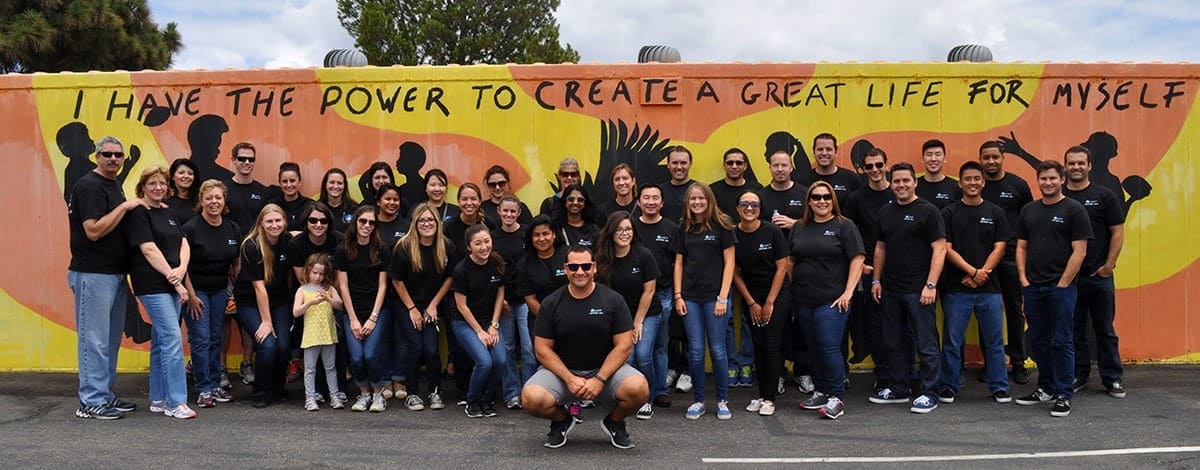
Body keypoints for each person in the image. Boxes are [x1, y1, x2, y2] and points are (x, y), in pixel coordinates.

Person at [522, 246, 650, 449]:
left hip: (605, 373)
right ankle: (561, 420)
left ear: (594, 267)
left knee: (639, 389)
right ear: (565, 269)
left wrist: (599, 379)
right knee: (531, 398)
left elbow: (624, 346)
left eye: (585, 266)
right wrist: (569, 378)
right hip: (563, 374)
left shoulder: (613, 300)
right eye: (573, 266)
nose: (579, 271)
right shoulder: (551, 303)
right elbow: (542, 349)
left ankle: (614, 422)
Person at [68, 136, 143, 419]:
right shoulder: (89, 186)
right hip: (92, 273)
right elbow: (94, 230)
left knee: (110, 340)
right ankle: (90, 401)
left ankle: (104, 395)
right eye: (107, 154)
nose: (113, 159)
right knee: (94, 341)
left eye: (118, 155)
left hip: (113, 273)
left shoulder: (111, 184)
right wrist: (124, 207)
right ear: (96, 156)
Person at [1014, 158, 1093, 418]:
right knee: (1039, 341)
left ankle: (1063, 394)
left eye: (1052, 178)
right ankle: (1045, 387)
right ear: (1038, 181)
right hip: (1033, 288)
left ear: (1062, 180)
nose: (1047, 183)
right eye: (1043, 179)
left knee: (1061, 341)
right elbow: (1021, 247)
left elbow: (1079, 252)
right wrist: (1024, 279)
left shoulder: (1074, 210)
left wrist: (1063, 284)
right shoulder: (1029, 210)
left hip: (1061, 288)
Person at [869, 162, 947, 414]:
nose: (901, 185)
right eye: (897, 181)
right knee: (894, 341)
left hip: (919, 289)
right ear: (891, 184)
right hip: (891, 288)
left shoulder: (928, 211)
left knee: (926, 342)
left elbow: (940, 248)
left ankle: (929, 392)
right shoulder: (886, 211)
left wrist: (931, 285)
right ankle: (900, 388)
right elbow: (880, 248)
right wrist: (876, 280)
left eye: (906, 180)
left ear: (915, 182)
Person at [936, 162, 1013, 405]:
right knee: (951, 342)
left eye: (976, 179)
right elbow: (946, 248)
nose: (972, 183)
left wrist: (983, 273)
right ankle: (948, 386)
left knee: (994, 342)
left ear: (983, 182)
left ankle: (999, 387)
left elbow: (1000, 246)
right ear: (960, 183)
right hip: (957, 288)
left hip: (989, 289)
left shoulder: (995, 212)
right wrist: (972, 271)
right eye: (967, 179)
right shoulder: (949, 213)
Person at [126, 166, 197, 419]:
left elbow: (183, 242)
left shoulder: (168, 212)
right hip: (152, 284)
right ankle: (176, 402)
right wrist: (175, 279)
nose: (158, 188)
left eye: (161, 184)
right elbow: (148, 250)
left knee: (160, 342)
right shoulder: (138, 213)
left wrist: (182, 268)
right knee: (172, 339)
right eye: (152, 183)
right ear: (142, 186)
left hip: (172, 282)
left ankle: (158, 398)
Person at [790, 182, 865, 419]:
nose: (821, 201)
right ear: (809, 201)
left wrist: (848, 292)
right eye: (816, 197)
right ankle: (821, 390)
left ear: (832, 200)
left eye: (826, 197)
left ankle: (836, 397)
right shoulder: (800, 227)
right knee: (813, 347)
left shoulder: (844, 226)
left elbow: (857, 259)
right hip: (803, 299)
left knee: (828, 346)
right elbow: (791, 261)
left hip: (833, 299)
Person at [1062, 146, 1127, 398]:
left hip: (1099, 276)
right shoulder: (1059, 196)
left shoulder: (1104, 195)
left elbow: (1117, 231)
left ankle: (1112, 377)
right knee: (1074, 329)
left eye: (1080, 163)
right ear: (1065, 166)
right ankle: (1079, 375)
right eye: (1071, 163)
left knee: (1105, 329)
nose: (1076, 167)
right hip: (1070, 278)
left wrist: (1109, 265)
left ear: (1089, 166)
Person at [672, 182, 737, 420]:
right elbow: (678, 263)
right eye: (692, 199)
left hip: (715, 299)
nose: (697, 203)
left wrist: (723, 297)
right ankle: (698, 400)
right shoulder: (684, 227)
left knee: (719, 351)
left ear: (709, 200)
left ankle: (722, 400)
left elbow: (730, 263)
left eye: (701, 198)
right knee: (696, 352)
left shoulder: (722, 225)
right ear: (687, 203)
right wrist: (678, 296)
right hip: (690, 298)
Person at [390, 203, 458, 411]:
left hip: (432, 304)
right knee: (415, 347)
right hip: (405, 303)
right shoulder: (403, 246)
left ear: (437, 223)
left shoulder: (446, 246)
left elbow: (450, 277)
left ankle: (434, 391)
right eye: (422, 220)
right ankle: (412, 393)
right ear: (415, 223)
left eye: (431, 220)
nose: (427, 224)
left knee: (431, 349)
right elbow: (397, 281)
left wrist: (433, 305)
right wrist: (412, 309)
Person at [594, 211, 660, 420]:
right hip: (618, 318)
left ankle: (646, 399)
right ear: (611, 232)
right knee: (626, 357)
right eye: (620, 229)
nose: (625, 233)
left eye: (629, 229)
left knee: (643, 355)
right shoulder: (602, 258)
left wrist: (637, 322)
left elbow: (649, 290)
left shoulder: (643, 254)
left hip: (646, 313)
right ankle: (626, 395)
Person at [979, 140, 1034, 384]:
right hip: (983, 260)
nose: (991, 162)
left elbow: (1029, 221)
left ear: (1003, 158)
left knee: (1014, 310)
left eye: (995, 157)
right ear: (980, 159)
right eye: (986, 158)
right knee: (985, 312)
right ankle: (990, 362)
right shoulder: (975, 185)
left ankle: (1018, 362)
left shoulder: (1018, 185)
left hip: (1011, 258)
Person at [182, 180, 241, 408]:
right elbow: (182, 266)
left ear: (224, 200)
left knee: (216, 338)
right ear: (201, 201)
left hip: (220, 291)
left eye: (218, 197)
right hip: (196, 292)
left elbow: (235, 263)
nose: (214, 202)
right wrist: (191, 294)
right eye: (209, 198)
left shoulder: (232, 228)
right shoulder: (190, 228)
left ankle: (216, 385)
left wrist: (233, 292)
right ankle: (204, 388)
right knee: (201, 340)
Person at [452, 224, 521, 417]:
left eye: (487, 241)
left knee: (500, 360)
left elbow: (500, 296)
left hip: (488, 321)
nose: (484, 247)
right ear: (469, 247)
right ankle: (472, 400)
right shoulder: (461, 270)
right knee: (484, 362)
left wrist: (494, 325)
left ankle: (487, 398)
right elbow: (461, 306)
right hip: (465, 323)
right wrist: (479, 332)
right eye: (478, 243)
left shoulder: (497, 263)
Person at [730, 191, 789, 416]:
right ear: (737, 208)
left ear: (760, 208)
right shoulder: (734, 234)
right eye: (744, 203)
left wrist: (770, 302)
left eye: (754, 204)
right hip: (751, 297)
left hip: (777, 295)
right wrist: (752, 302)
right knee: (758, 344)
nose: (749, 208)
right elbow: (735, 272)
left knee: (772, 344)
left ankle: (769, 398)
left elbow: (782, 267)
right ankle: (761, 393)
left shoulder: (772, 231)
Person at [759, 148, 811, 394]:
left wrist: (795, 224)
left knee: (802, 324)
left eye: (784, 165)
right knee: (776, 328)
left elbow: (821, 223)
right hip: (772, 273)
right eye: (775, 165)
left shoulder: (804, 194)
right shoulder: (762, 196)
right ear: (769, 167)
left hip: (803, 269)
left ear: (791, 167)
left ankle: (803, 372)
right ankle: (777, 373)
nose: (780, 169)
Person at [841, 148, 894, 388]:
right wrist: (861, 264)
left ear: (886, 165)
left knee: (902, 325)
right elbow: (849, 234)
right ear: (862, 169)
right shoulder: (856, 199)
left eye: (878, 165)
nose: (874, 170)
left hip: (902, 272)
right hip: (870, 272)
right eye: (869, 166)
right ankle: (882, 377)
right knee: (875, 326)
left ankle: (905, 375)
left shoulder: (899, 192)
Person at [284, 201, 347, 401]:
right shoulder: (297, 244)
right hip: (308, 296)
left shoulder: (339, 240)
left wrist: (329, 293)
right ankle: (316, 391)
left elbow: (339, 274)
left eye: (323, 220)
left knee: (336, 343)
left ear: (329, 223)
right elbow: (302, 276)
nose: (318, 224)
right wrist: (314, 296)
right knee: (312, 344)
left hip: (332, 290)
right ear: (306, 221)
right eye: (313, 220)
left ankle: (339, 389)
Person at [235, 204, 293, 408]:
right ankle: (261, 390)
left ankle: (278, 386)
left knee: (284, 346)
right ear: (261, 223)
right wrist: (267, 322)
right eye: (269, 221)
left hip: (280, 300)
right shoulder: (251, 246)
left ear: (285, 222)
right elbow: (259, 289)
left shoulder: (288, 241)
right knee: (267, 345)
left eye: (278, 220)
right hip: (250, 301)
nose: (274, 225)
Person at [335, 206, 392, 412]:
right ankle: (364, 393)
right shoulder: (343, 249)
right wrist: (352, 319)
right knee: (357, 358)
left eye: (371, 223)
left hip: (378, 310)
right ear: (355, 222)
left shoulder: (381, 249)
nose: (367, 226)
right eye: (363, 222)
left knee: (370, 355)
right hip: (352, 311)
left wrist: (373, 317)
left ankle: (378, 393)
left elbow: (383, 285)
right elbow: (343, 286)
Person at [222, 141, 268, 387]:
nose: (247, 163)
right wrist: (232, 261)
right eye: (242, 159)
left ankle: (247, 363)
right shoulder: (225, 189)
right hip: (227, 263)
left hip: (254, 263)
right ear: (233, 160)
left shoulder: (262, 191)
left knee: (251, 315)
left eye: (251, 159)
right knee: (225, 318)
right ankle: (220, 368)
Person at [632, 184, 678, 408]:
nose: (650, 202)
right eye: (646, 198)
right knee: (641, 349)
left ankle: (660, 390)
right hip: (638, 295)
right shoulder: (631, 228)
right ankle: (640, 391)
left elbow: (679, 263)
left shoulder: (671, 228)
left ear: (662, 202)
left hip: (665, 293)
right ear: (639, 202)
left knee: (661, 345)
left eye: (655, 198)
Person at [492, 196, 536, 391]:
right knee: (508, 347)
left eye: (513, 211)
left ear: (519, 212)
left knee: (529, 347)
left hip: (526, 299)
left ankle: (530, 389)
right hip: (505, 301)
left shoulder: (527, 234)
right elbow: (491, 271)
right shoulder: (492, 238)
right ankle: (512, 392)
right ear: (499, 212)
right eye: (505, 211)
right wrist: (499, 300)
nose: (509, 215)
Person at [517, 215, 569, 380]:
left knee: (570, 359)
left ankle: (575, 397)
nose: (541, 239)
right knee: (545, 361)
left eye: (545, 234)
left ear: (554, 234)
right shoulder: (524, 264)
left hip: (571, 318)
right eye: (536, 235)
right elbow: (530, 299)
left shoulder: (568, 255)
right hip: (541, 321)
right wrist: (551, 320)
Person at [292, 253, 345, 411]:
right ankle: (310, 397)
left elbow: (340, 305)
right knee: (310, 368)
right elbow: (295, 312)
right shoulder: (302, 290)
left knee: (330, 367)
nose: (318, 276)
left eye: (321, 273)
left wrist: (329, 298)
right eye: (315, 273)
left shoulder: (329, 289)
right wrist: (310, 303)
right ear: (308, 271)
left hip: (328, 334)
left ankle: (334, 396)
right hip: (311, 335)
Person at [796, 133, 862, 207]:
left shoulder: (852, 179)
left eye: (828, 149)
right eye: (820, 149)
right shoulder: (802, 181)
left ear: (836, 151)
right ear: (814, 152)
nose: (824, 153)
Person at [710, 148, 763, 219]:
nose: (734, 166)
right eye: (730, 163)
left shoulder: (757, 188)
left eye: (739, 163)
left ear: (745, 166)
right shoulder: (712, 190)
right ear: (724, 165)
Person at [915, 139, 961, 209]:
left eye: (938, 154)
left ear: (944, 159)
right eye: (929, 155)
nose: (933, 159)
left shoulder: (956, 187)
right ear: (922, 159)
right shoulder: (914, 186)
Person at [660, 146, 696, 222]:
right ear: (668, 164)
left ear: (690, 164)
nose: (679, 167)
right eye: (675, 163)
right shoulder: (660, 191)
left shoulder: (700, 190)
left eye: (683, 163)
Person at [317, 168, 358, 235]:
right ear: (325, 185)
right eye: (332, 182)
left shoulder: (355, 208)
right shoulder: (316, 209)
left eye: (339, 183)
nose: (336, 186)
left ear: (344, 186)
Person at [274, 162, 311, 232]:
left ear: (299, 182)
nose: (289, 185)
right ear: (280, 183)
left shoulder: (310, 205)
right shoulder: (274, 206)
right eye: (284, 181)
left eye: (292, 181)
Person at [165, 158, 200, 225]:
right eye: (181, 173)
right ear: (172, 176)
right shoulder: (166, 204)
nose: (186, 176)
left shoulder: (202, 200)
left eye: (190, 173)